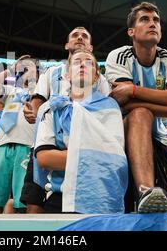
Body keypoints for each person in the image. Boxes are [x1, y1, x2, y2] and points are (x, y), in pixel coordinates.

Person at [105, 1, 167, 213]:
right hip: (121, 135)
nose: (152, 24)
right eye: (145, 19)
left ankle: (149, 197)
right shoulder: (119, 56)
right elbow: (123, 103)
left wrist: (132, 90)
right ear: (131, 31)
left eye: (156, 20)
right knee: (139, 113)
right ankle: (145, 190)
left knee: (158, 211)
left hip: (159, 139)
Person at [21, 26, 111, 214]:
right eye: (75, 36)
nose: (80, 38)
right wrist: (39, 119)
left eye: (84, 36)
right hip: (49, 143)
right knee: (34, 201)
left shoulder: (100, 79)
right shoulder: (51, 72)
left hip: (84, 143)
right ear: (66, 45)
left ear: (91, 47)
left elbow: (104, 108)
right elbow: (38, 101)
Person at [35, 50, 127, 213]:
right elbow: (43, 158)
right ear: (67, 75)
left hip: (101, 199)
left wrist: (63, 154)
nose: (83, 64)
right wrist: (91, 153)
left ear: (97, 76)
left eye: (89, 62)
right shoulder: (52, 108)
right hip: (60, 198)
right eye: (77, 62)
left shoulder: (110, 107)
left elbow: (113, 159)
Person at [0, 55, 37, 213]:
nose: (28, 70)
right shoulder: (11, 91)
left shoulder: (42, 93)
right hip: (2, 146)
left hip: (27, 146)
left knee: (22, 200)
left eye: (32, 67)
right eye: (25, 68)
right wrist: (11, 69)